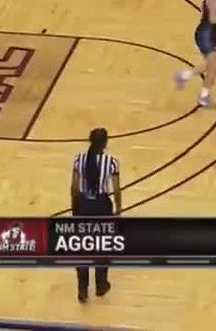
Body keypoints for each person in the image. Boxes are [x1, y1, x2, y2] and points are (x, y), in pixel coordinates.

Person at [71, 127, 121, 303]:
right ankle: (100, 285)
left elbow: (74, 187)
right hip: (101, 205)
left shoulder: (79, 159)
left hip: (83, 204)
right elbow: (116, 189)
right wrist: (118, 211)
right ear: (105, 143)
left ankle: (82, 289)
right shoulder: (111, 162)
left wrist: (75, 209)